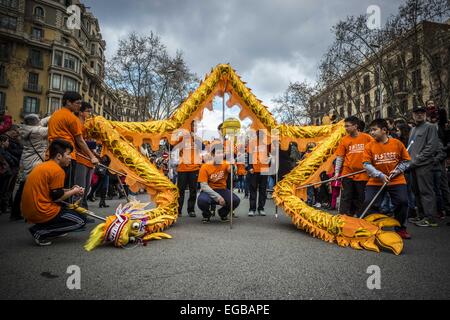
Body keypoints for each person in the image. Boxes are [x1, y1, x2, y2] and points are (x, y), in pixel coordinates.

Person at [21, 139, 87, 246]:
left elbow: (52, 191)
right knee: (81, 221)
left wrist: (71, 190)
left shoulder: (44, 165)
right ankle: (40, 232)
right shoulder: (57, 170)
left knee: (69, 212)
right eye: (68, 154)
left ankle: (53, 229)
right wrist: (74, 191)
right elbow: (57, 198)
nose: (70, 157)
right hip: (41, 210)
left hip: (30, 210)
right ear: (59, 156)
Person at [362, 119, 411, 239]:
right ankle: (371, 227)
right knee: (370, 202)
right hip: (376, 180)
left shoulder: (397, 143)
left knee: (402, 202)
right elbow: (366, 164)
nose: (371, 132)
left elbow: (407, 161)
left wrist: (398, 170)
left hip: (396, 180)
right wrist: (379, 175)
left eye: (374, 130)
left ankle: (400, 228)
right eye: (370, 130)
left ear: (384, 130)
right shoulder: (369, 146)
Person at [48, 91, 98, 190]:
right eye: (77, 103)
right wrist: (92, 157)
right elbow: (80, 141)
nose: (79, 106)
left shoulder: (54, 115)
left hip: (52, 154)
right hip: (67, 156)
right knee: (67, 187)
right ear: (68, 102)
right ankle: (66, 206)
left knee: (54, 187)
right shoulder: (72, 118)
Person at [10, 114, 49, 220]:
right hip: (34, 163)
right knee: (30, 188)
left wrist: (53, 115)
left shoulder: (25, 129)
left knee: (22, 187)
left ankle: (16, 212)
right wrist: (59, 116)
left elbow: (43, 121)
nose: (40, 120)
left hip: (26, 160)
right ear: (35, 122)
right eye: (38, 119)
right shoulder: (37, 131)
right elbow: (52, 128)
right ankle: (27, 212)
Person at [334, 116, 373, 216]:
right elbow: (340, 157)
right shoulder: (344, 140)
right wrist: (337, 173)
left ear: (355, 126)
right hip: (347, 173)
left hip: (363, 173)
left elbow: (374, 152)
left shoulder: (367, 138)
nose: (346, 128)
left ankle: (360, 217)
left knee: (360, 197)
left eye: (348, 126)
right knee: (346, 196)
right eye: (345, 126)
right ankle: (343, 217)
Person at [408, 106, 439, 227]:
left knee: (426, 191)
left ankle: (430, 218)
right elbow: (410, 148)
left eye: (422, 113)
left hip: (424, 165)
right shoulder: (413, 129)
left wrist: (416, 160)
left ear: (425, 115)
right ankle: (421, 215)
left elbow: (431, 147)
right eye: (417, 113)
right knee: (416, 191)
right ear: (413, 115)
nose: (419, 115)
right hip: (413, 166)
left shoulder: (430, 127)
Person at [197, 148, 240, 223]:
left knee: (235, 200)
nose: (221, 155)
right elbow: (203, 186)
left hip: (222, 189)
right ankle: (207, 214)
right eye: (218, 153)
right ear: (213, 155)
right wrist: (218, 197)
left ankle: (223, 213)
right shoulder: (205, 167)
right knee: (201, 201)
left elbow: (231, 170)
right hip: (209, 190)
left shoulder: (225, 163)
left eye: (222, 153)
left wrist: (233, 164)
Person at [175, 121, 202, 217]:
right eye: (194, 125)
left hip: (194, 168)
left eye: (196, 126)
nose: (195, 127)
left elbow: (201, 150)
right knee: (180, 190)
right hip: (182, 168)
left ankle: (191, 210)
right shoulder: (182, 137)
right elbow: (171, 144)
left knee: (193, 190)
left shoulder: (198, 139)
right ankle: (178, 210)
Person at [73, 102, 95, 209]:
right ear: (81, 112)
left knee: (86, 188)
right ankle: (77, 212)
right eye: (88, 111)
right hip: (81, 159)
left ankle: (84, 211)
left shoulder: (87, 125)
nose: (89, 114)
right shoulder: (77, 123)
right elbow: (80, 142)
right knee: (80, 188)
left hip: (89, 161)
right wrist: (93, 145)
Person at [247, 130, 270, 217]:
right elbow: (249, 155)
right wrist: (250, 167)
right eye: (259, 133)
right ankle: (252, 209)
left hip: (264, 169)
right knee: (253, 189)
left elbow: (271, 153)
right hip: (254, 169)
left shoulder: (267, 143)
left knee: (263, 189)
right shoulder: (252, 142)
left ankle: (261, 208)